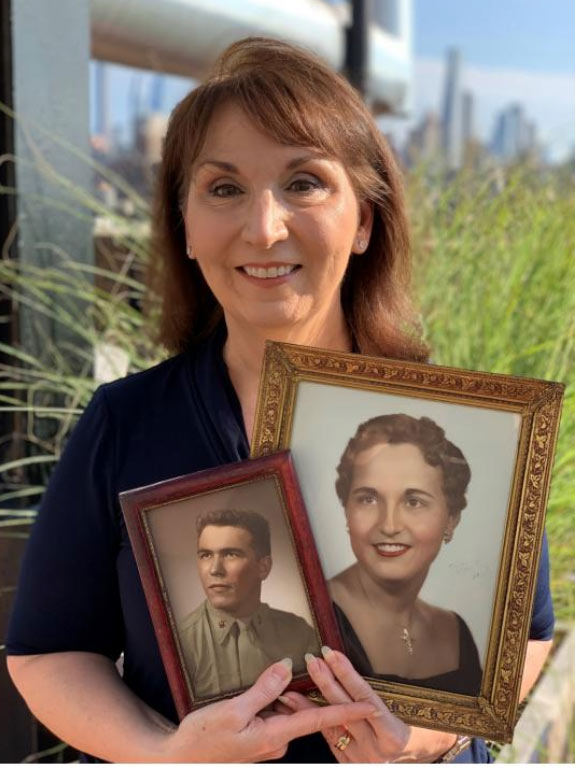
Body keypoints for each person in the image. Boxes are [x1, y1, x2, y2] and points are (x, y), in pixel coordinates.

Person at [6, 37, 554, 763]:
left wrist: (423, 741)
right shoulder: (124, 423)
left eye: (304, 183)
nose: (264, 228)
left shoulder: (457, 427)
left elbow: (529, 634)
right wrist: (165, 754)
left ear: (364, 220)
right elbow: (47, 651)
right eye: (225, 189)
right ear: (187, 227)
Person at [329, 414, 482, 696]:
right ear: (347, 510)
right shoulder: (308, 620)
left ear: (451, 519)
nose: (389, 525)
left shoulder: (456, 632)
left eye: (413, 502)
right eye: (368, 499)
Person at [180, 509, 319, 698]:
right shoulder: (181, 643)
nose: (214, 569)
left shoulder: (300, 633)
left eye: (230, 554)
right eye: (206, 555)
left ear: (263, 567)